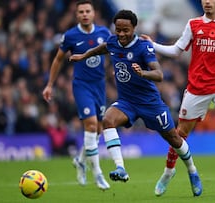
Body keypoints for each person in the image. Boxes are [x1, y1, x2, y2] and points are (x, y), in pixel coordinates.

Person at [69, 9, 203, 197]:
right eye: (118, 30)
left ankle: (192, 171)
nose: (122, 34)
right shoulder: (113, 41)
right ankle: (120, 168)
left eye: (126, 30)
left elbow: (159, 74)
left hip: (150, 103)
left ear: (134, 28)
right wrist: (83, 56)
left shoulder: (143, 47)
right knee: (107, 120)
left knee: (174, 139)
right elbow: (102, 48)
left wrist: (143, 73)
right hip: (127, 102)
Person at [141, 0, 215, 196]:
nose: (207, 2)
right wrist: (153, 45)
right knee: (179, 134)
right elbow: (176, 50)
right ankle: (168, 172)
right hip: (197, 88)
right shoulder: (194, 24)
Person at [42, 0, 110, 190]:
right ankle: (98, 174)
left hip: (100, 86)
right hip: (82, 86)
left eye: (88, 11)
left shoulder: (104, 33)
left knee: (97, 131)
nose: (85, 14)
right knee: (91, 125)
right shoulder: (71, 36)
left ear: (94, 13)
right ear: (76, 15)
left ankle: (80, 160)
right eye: (81, 12)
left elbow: (116, 51)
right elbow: (58, 60)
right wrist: (49, 85)